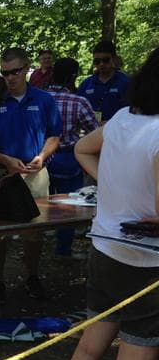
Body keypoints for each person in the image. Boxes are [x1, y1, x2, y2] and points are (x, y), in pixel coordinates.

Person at [67, 47, 159, 360]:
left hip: (106, 249)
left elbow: (84, 148)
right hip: (145, 264)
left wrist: (114, 187)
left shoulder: (124, 117)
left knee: (89, 348)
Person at [0, 47, 62, 305]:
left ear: (27, 69)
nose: (10, 77)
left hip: (35, 173)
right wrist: (5, 160)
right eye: (5, 72)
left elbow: (54, 136)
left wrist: (42, 156)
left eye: (15, 71)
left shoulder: (44, 100)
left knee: (34, 231)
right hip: (0, 175)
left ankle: (33, 277)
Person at [46, 58, 100, 256]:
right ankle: (63, 248)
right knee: (70, 206)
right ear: (73, 76)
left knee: (41, 201)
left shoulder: (39, 98)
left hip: (39, 158)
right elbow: (94, 131)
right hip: (68, 158)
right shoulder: (78, 102)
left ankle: (35, 243)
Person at [77, 40, 130, 122]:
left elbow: (133, 112)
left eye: (105, 60)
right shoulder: (85, 85)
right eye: (97, 61)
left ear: (114, 59)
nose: (101, 64)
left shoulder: (126, 83)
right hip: (92, 131)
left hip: (119, 131)